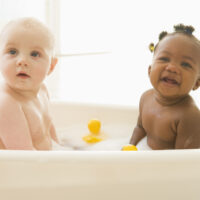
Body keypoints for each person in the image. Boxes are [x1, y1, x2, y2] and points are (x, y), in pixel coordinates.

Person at [129, 24, 200, 150]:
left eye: (185, 64)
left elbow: (184, 162)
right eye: (164, 58)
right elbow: (140, 128)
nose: (172, 68)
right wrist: (129, 148)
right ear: (150, 70)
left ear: (197, 83)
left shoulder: (189, 116)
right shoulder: (146, 98)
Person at [0, 17, 62, 150]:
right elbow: (24, 158)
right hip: (16, 169)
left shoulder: (42, 90)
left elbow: (48, 126)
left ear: (51, 66)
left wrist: (63, 149)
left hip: (40, 162)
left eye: (34, 54)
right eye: (12, 52)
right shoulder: (7, 104)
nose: (22, 61)